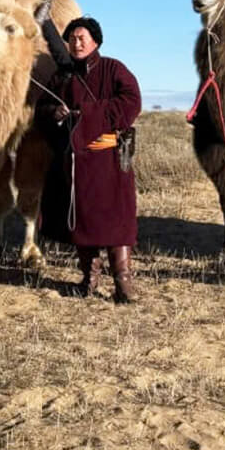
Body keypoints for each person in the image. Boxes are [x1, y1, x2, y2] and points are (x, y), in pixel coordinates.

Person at [36, 18, 143, 303]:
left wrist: (87, 114)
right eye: (71, 38)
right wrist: (54, 113)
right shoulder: (61, 77)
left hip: (109, 159)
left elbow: (132, 101)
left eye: (82, 37)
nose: (76, 42)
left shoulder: (113, 69)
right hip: (77, 163)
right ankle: (89, 279)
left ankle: (123, 284)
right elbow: (41, 110)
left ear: (96, 40)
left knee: (118, 222)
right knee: (82, 222)